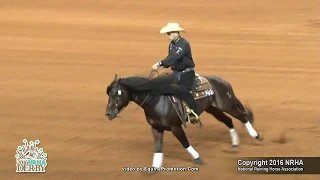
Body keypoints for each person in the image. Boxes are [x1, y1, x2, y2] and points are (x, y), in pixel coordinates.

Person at [152, 22, 199, 124]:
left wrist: (160, 63)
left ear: (176, 33)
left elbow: (174, 57)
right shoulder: (171, 45)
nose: (167, 36)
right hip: (177, 73)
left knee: (184, 91)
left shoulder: (184, 44)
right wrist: (164, 65)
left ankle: (194, 113)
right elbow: (171, 59)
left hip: (187, 74)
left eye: (169, 34)